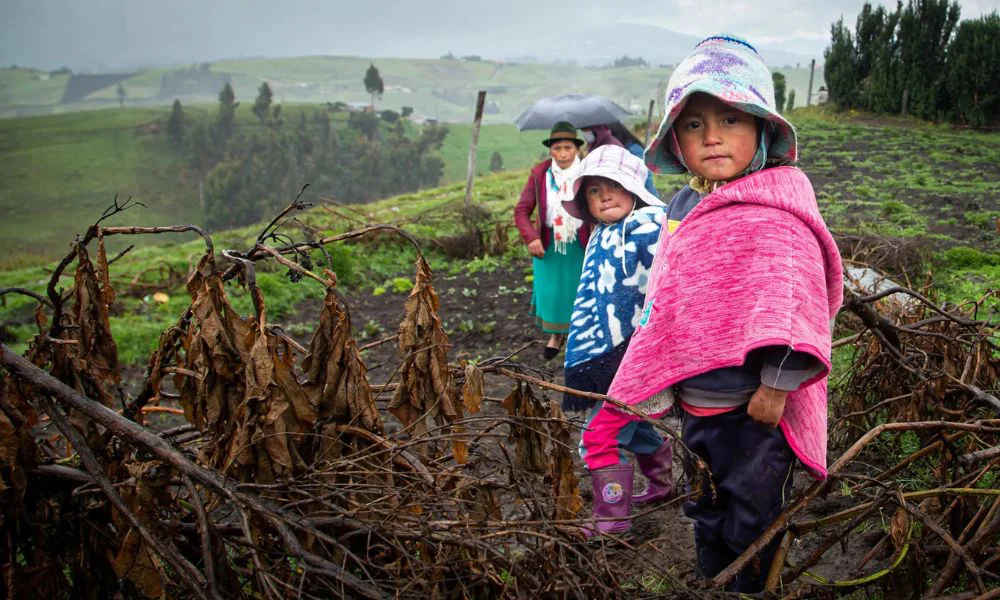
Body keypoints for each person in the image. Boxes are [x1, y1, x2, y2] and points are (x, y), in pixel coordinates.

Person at [595, 34, 844, 593]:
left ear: (761, 129)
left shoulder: (776, 211)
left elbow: (792, 305)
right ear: (674, 140)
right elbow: (673, 296)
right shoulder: (684, 208)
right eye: (692, 123)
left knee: (753, 508)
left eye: (730, 119)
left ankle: (752, 581)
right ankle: (713, 574)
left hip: (754, 410)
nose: (711, 136)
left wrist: (776, 389)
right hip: (697, 403)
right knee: (703, 497)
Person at [558, 144, 675, 539]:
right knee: (634, 426)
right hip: (609, 358)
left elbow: (671, 287)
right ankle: (662, 485)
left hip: (638, 357)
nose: (605, 195)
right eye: (594, 190)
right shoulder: (602, 235)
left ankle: (611, 518)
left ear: (635, 187)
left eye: (614, 185)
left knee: (598, 436)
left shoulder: (653, 227)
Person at [514, 121, 591, 360]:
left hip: (581, 243)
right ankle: (556, 337)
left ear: (577, 149)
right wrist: (531, 237)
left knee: (579, 291)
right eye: (557, 149)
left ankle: (578, 338)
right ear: (550, 151)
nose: (563, 154)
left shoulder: (588, 171)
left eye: (568, 148)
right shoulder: (540, 174)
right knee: (553, 293)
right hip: (549, 243)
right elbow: (522, 210)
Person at [581, 122, 659, 198]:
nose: (585, 135)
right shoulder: (600, 147)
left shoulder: (630, 149)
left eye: (587, 130)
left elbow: (644, 177)